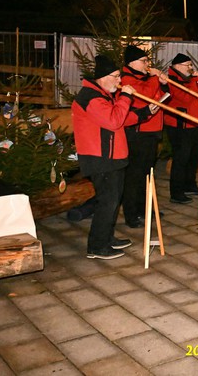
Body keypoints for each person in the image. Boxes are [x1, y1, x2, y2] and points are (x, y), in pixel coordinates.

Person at [71, 55, 138, 259]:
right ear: (102, 77)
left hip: (112, 156)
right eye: (116, 76)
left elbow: (120, 117)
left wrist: (144, 113)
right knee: (107, 202)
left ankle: (107, 238)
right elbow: (113, 120)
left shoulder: (103, 94)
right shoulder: (91, 97)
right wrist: (126, 97)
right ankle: (97, 246)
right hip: (101, 158)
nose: (120, 81)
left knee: (113, 201)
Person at [120, 45, 170, 229]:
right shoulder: (126, 79)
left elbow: (163, 97)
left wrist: (163, 84)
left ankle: (144, 208)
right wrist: (155, 78)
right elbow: (144, 96)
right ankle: (131, 213)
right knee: (134, 175)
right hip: (138, 133)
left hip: (151, 132)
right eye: (143, 61)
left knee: (146, 173)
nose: (147, 64)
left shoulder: (144, 78)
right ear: (131, 62)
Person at [165, 54, 198, 204]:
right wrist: (195, 80)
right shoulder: (172, 80)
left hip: (193, 124)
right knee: (181, 159)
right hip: (180, 125)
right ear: (177, 66)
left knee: (195, 155)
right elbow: (187, 97)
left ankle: (189, 184)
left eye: (190, 65)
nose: (190, 68)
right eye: (187, 65)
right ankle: (176, 192)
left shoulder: (187, 79)